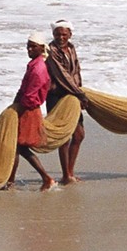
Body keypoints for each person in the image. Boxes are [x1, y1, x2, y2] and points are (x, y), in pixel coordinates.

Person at [9, 34, 54, 190]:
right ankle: (11, 180)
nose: (29, 48)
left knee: (18, 146)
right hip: (26, 108)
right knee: (16, 146)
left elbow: (30, 96)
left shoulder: (38, 68)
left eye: (33, 46)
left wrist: (17, 108)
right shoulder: (34, 65)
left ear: (42, 48)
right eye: (28, 45)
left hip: (28, 110)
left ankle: (45, 178)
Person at [44, 19, 86, 184]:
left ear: (70, 34)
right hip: (57, 96)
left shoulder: (72, 48)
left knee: (79, 134)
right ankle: (66, 174)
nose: (60, 37)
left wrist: (79, 91)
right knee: (64, 136)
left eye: (64, 34)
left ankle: (70, 171)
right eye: (57, 34)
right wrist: (79, 93)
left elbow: (76, 72)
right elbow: (62, 75)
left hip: (73, 95)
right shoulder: (51, 50)